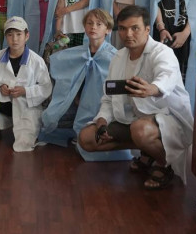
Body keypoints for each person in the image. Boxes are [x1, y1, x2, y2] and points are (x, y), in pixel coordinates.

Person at [78, 6, 194, 190]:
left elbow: (167, 76)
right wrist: (102, 120)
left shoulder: (162, 52)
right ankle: (147, 151)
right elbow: (109, 97)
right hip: (134, 120)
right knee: (87, 138)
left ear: (147, 29)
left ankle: (164, 163)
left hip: (166, 118)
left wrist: (152, 88)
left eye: (135, 28)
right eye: (123, 29)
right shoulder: (119, 57)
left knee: (140, 130)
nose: (128, 34)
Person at [39, 9, 131, 161]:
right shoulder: (78, 53)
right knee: (53, 116)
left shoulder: (115, 57)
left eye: (99, 24)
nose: (93, 27)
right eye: (89, 23)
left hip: (102, 107)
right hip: (78, 102)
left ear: (108, 29)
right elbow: (62, 68)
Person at [0, 17, 52, 152]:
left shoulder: (36, 61)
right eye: (10, 35)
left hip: (25, 104)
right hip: (5, 102)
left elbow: (46, 87)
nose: (14, 39)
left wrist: (25, 91)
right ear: (6, 37)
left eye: (19, 34)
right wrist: (0, 86)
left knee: (24, 144)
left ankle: (27, 127)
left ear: (26, 36)